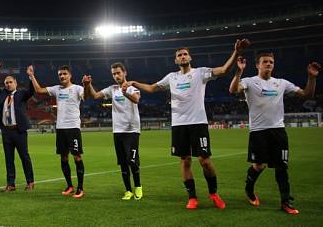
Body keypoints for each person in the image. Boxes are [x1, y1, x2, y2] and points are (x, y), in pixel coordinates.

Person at [128, 39, 250, 209]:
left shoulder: (200, 73)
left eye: (185, 54)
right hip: (179, 125)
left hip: (198, 123)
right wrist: (134, 83)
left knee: (205, 161)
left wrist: (236, 52)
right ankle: (192, 197)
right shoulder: (172, 77)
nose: (183, 56)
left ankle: (213, 193)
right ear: (176, 60)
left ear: (190, 57)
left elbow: (223, 70)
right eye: (179, 55)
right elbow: (152, 88)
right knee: (185, 161)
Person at [229, 53, 319, 214]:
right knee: (259, 165)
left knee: (282, 167)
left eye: (271, 62)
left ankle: (285, 202)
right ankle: (249, 189)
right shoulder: (249, 81)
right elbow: (233, 89)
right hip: (258, 131)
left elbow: (307, 94)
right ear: (258, 65)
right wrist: (239, 72)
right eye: (265, 62)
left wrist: (311, 78)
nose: (269, 64)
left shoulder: (281, 83)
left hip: (278, 131)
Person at [83, 62, 143, 200]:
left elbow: (136, 100)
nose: (116, 76)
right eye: (114, 74)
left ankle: (138, 187)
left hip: (132, 130)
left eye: (118, 73)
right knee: (122, 163)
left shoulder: (132, 87)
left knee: (132, 161)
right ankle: (128, 190)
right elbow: (96, 96)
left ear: (124, 73)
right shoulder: (112, 89)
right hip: (118, 131)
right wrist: (88, 84)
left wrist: (125, 93)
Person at [29, 64, 86, 199]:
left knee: (77, 156)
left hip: (73, 128)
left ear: (70, 75)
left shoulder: (78, 88)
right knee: (64, 157)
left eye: (64, 74)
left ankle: (80, 188)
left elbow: (87, 96)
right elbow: (38, 90)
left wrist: (87, 85)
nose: (62, 76)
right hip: (60, 128)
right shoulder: (56, 89)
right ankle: (69, 185)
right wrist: (31, 75)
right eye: (60, 74)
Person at [0, 60, 35, 192]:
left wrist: (30, 76)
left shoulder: (21, 94)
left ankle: (30, 182)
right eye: (6, 83)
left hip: (19, 131)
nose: (8, 84)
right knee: (9, 159)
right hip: (6, 131)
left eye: (10, 82)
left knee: (24, 156)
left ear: (15, 83)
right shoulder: (3, 94)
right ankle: (11, 184)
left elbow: (32, 91)